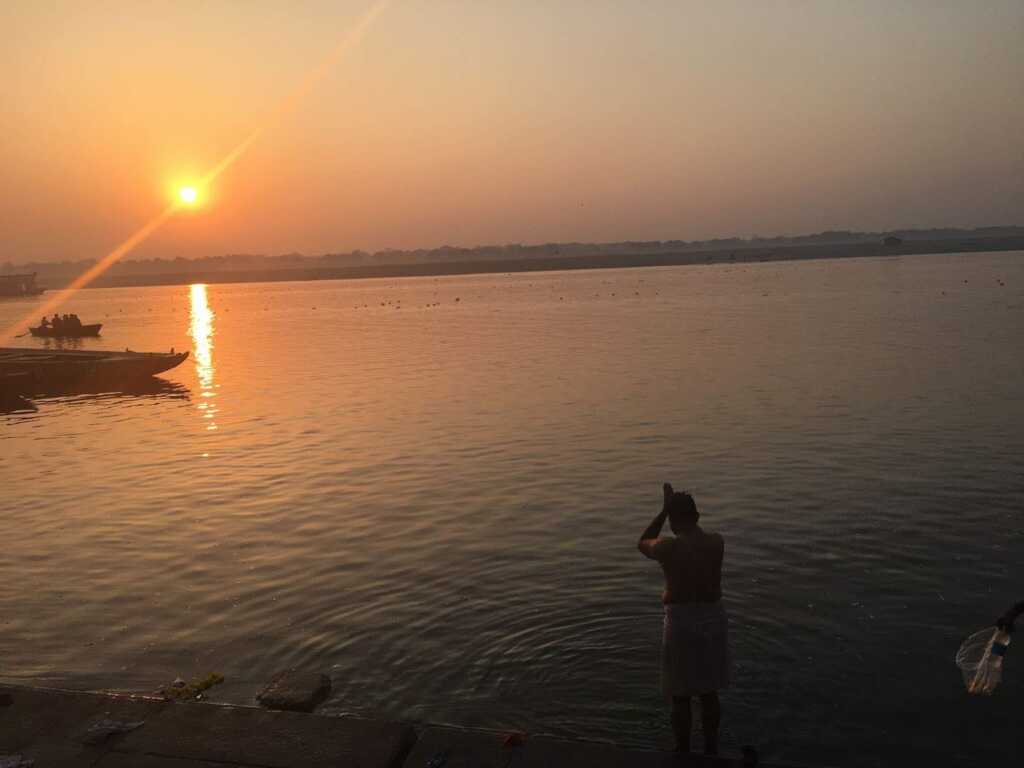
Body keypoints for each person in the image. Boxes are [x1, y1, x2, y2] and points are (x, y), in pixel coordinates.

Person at [638, 483, 731, 755]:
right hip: (714, 619)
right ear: (698, 516)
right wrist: (670, 510)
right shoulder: (717, 542)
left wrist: (662, 510)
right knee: (709, 691)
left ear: (672, 520)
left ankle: (683, 750)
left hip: (682, 623)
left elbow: (642, 542)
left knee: (680, 694)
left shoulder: (668, 547)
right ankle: (711, 748)